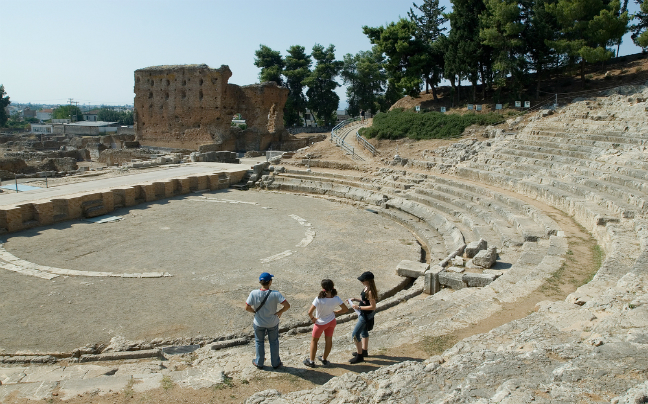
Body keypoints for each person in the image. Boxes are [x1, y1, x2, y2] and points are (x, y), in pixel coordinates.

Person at [245, 272, 290, 369]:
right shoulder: (275, 294)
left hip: (259, 322)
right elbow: (287, 305)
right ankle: (275, 363)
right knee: (274, 342)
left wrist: (254, 312)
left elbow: (247, 307)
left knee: (259, 342)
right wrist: (280, 312)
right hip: (272, 322)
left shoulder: (254, 293)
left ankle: (259, 362)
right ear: (270, 282)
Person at [303, 279, 349, 367]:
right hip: (331, 321)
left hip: (320, 323)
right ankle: (324, 359)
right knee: (328, 340)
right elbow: (345, 309)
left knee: (314, 341)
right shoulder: (336, 298)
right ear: (333, 287)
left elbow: (309, 312)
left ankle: (311, 361)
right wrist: (335, 312)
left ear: (322, 287)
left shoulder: (319, 299)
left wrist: (313, 318)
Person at [348, 271, 377, 364]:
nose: (361, 282)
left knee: (355, 334)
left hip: (365, 316)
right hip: (363, 314)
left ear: (368, 281)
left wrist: (358, 307)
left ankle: (360, 356)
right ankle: (364, 351)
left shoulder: (370, 292)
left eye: (363, 280)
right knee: (364, 332)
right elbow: (365, 301)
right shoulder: (366, 288)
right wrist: (355, 299)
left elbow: (373, 306)